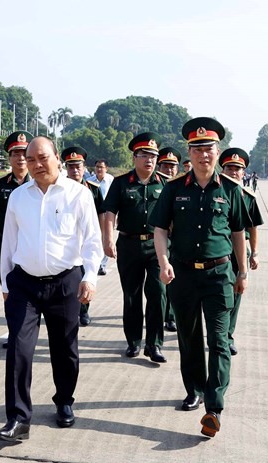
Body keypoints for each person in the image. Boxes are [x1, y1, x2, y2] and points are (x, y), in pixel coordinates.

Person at [0, 136, 102, 442]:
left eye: (43, 158)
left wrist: (89, 277)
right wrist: (5, 282)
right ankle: (18, 418)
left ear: (57, 158)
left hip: (65, 281)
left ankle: (64, 400)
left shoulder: (78, 195)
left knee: (64, 348)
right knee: (19, 347)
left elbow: (93, 241)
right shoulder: (18, 196)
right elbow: (8, 244)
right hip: (24, 283)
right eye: (31, 160)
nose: (38, 165)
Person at [150, 117, 249, 438]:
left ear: (217, 151)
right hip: (183, 275)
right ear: (188, 154)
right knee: (189, 339)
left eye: (208, 149)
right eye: (197, 149)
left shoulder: (231, 190)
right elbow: (160, 229)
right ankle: (194, 389)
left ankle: (214, 407)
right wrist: (163, 262)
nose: (203, 155)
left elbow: (238, 232)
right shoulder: (174, 188)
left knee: (219, 341)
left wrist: (242, 270)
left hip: (220, 274)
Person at [101, 133, 167, 362]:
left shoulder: (166, 184)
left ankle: (155, 344)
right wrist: (108, 240)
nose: (149, 160)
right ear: (134, 157)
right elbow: (110, 213)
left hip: (157, 247)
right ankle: (133, 342)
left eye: (153, 155)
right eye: (144, 155)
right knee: (132, 295)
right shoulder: (121, 183)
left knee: (158, 293)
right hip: (128, 245)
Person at [0, 130, 33, 349]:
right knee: (9, 288)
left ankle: (30, 333)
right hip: (8, 244)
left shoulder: (40, 184)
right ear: (9, 157)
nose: (20, 157)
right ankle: (15, 333)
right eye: (15, 153)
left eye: (24, 153)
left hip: (33, 243)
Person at [220, 148, 264, 356]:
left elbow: (253, 227)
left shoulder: (248, 197)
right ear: (222, 169)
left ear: (244, 172)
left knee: (236, 295)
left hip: (239, 252)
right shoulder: (214, 191)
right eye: (229, 168)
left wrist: (254, 252)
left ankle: (227, 336)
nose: (233, 172)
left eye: (238, 169)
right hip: (217, 251)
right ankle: (218, 333)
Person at [63, 146, 103, 327]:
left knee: (87, 275)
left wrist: (102, 238)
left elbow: (102, 214)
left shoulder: (93, 189)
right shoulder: (60, 189)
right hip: (67, 239)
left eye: (78, 166)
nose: (74, 170)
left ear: (84, 167)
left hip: (86, 238)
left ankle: (84, 311)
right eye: (70, 167)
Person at [156, 147, 183, 333]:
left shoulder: (181, 186)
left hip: (177, 240)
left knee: (175, 281)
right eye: (166, 166)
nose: (169, 170)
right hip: (159, 240)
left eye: (173, 166)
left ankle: (171, 316)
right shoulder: (155, 184)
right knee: (161, 283)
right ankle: (163, 314)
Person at [88, 159, 113, 275]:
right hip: (94, 213)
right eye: (97, 167)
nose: (99, 169)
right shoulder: (89, 181)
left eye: (101, 167)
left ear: (106, 168)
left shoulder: (111, 181)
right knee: (94, 237)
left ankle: (102, 265)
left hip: (107, 213)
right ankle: (94, 263)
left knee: (105, 238)